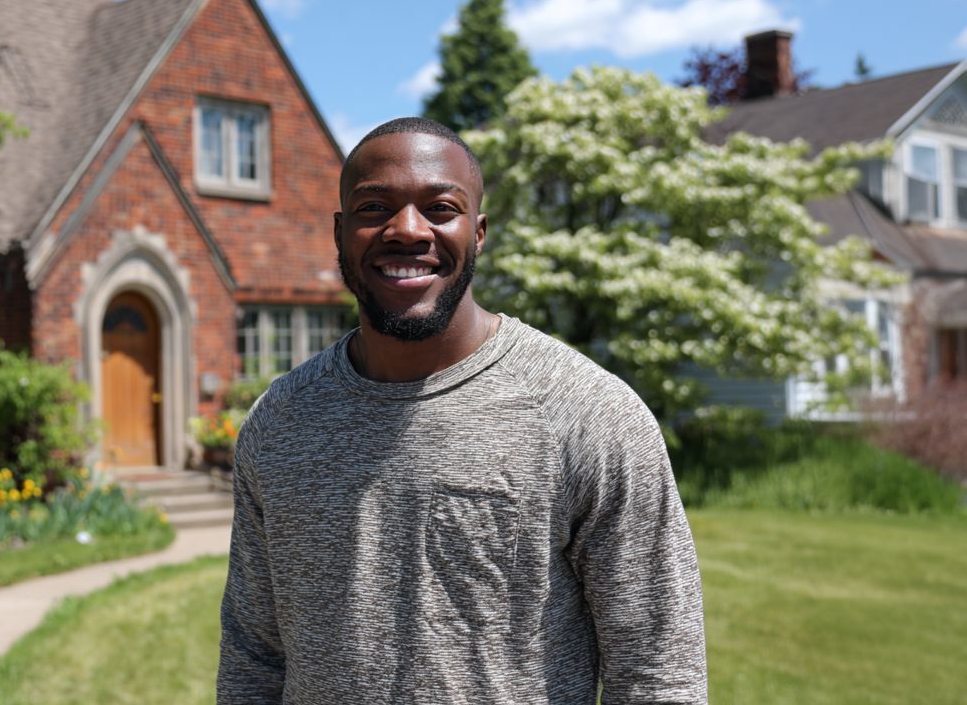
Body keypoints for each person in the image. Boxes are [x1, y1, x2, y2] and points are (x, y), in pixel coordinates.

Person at [216, 117, 707, 704]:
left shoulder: (590, 414)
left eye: (439, 208)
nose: (406, 230)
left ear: (477, 233)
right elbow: (254, 657)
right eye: (375, 208)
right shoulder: (281, 422)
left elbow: (658, 673)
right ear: (341, 232)